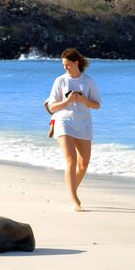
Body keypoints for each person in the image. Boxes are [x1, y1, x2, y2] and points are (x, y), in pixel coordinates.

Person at [46, 48, 101, 212]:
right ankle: (74, 199)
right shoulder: (60, 81)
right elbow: (52, 106)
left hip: (84, 123)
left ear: (76, 62)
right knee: (71, 160)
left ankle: (71, 190)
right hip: (64, 121)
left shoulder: (88, 81)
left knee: (83, 165)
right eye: (63, 65)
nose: (65, 68)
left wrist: (83, 100)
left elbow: (97, 105)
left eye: (68, 65)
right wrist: (67, 101)